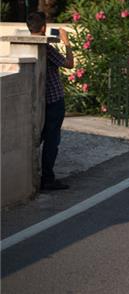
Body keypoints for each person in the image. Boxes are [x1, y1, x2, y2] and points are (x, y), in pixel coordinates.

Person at [26, 12, 74, 191]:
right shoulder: (46, 48)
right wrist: (66, 42)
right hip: (54, 100)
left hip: (38, 101)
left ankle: (35, 175)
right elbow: (69, 64)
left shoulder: (27, 46)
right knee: (52, 140)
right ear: (44, 27)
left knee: (37, 138)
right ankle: (48, 178)